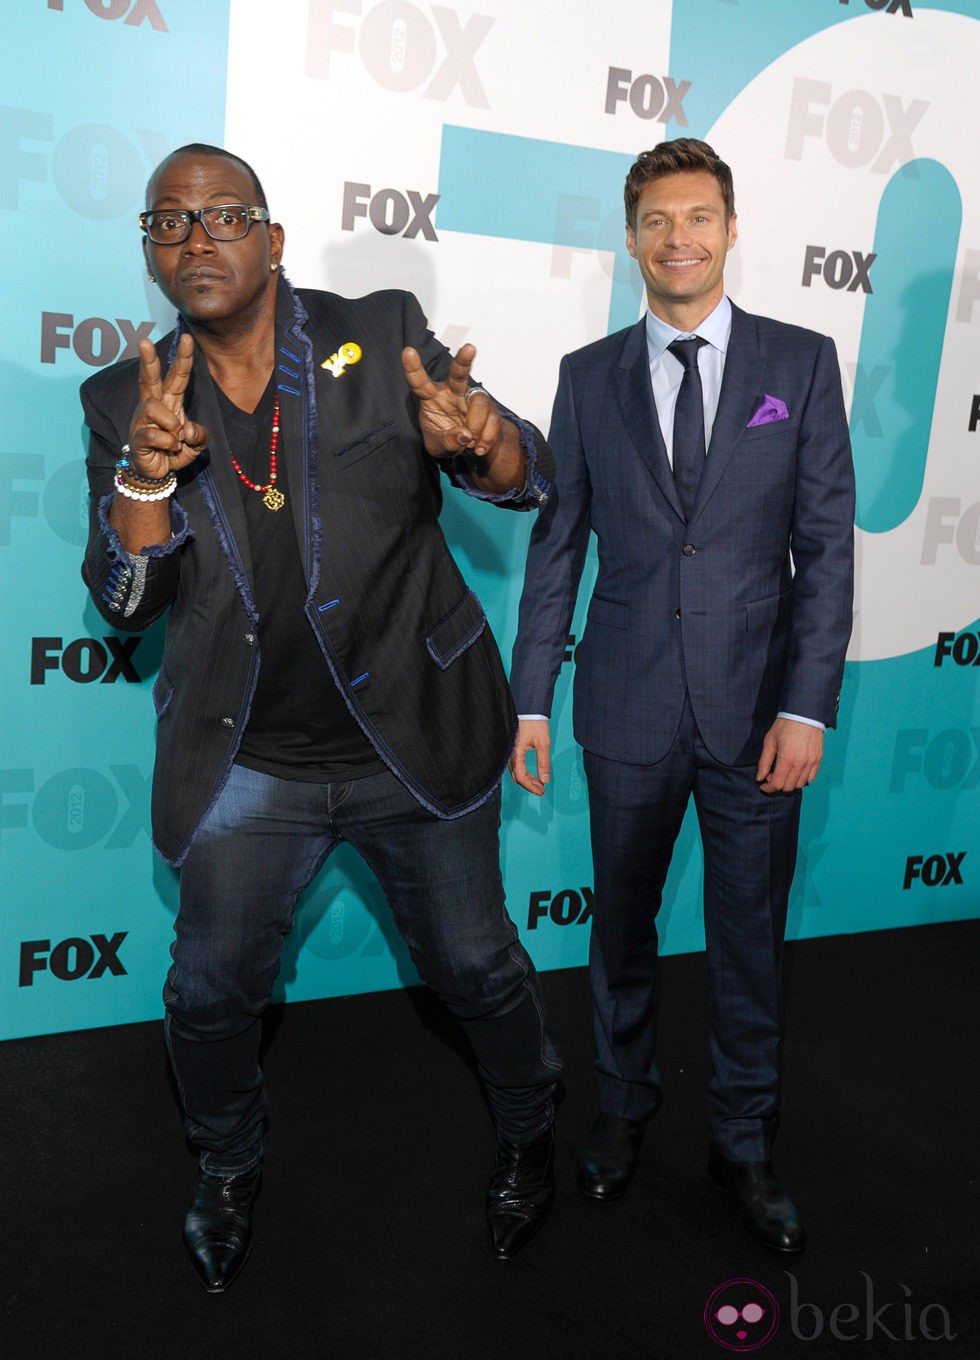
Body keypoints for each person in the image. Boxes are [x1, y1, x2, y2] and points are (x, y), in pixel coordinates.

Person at [81, 143, 561, 1293]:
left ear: (275, 239)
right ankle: (228, 1161)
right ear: (149, 252)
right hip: (250, 761)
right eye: (169, 225)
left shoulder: (377, 327)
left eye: (223, 216)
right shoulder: (124, 398)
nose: (195, 241)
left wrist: (478, 435)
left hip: (416, 733)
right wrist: (146, 480)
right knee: (207, 994)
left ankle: (530, 1122)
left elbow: (522, 475)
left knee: (475, 965)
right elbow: (125, 600)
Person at [508, 139, 855, 1252]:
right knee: (620, 927)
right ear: (629, 237)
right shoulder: (583, 374)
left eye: (698, 217)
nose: (678, 239)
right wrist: (527, 700)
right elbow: (556, 548)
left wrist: (805, 707)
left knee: (748, 938)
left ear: (730, 227)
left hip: (759, 713)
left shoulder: (798, 364)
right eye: (656, 220)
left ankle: (742, 1140)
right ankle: (619, 1109)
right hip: (622, 704)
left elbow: (824, 550)